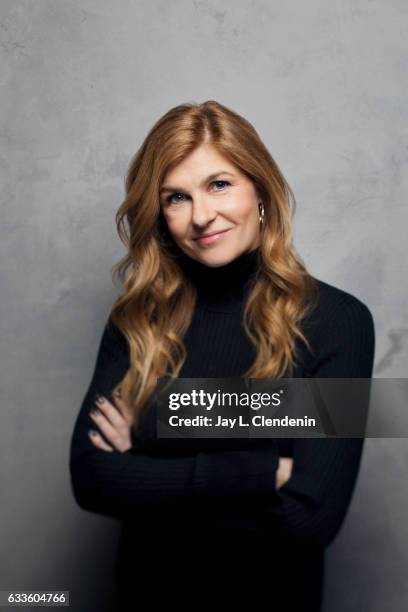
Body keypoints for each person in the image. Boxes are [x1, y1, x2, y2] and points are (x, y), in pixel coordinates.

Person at [69, 100, 375, 611]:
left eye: (219, 184)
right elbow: (92, 481)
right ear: (161, 215)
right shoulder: (139, 321)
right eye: (176, 198)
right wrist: (257, 473)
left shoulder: (338, 321)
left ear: (259, 190)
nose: (202, 216)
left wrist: (152, 428)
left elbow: (310, 520)